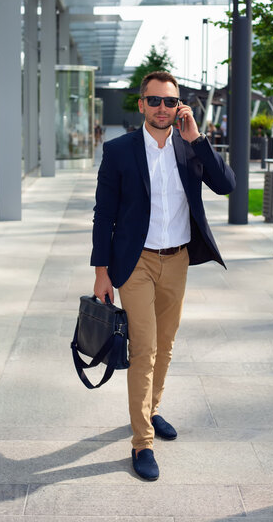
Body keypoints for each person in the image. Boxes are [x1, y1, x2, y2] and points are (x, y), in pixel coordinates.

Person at [91, 71, 235, 481]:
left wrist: (199, 140)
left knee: (166, 344)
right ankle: (142, 442)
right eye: (153, 101)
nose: (161, 108)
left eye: (169, 102)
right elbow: (104, 214)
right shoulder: (119, 151)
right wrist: (101, 272)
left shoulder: (190, 148)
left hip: (177, 260)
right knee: (145, 349)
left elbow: (227, 185)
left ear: (179, 107)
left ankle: (151, 411)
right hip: (135, 263)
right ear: (141, 105)